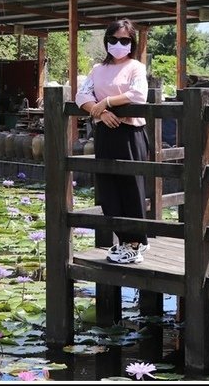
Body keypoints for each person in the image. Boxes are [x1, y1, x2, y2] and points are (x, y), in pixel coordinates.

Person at [74, 18, 150, 264]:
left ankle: (137, 242)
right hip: (106, 131)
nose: (119, 44)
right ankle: (123, 239)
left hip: (130, 132)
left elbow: (138, 94)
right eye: (114, 40)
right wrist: (100, 112)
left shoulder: (135, 67)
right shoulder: (98, 69)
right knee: (108, 188)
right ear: (107, 41)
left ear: (132, 43)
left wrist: (106, 102)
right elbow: (81, 94)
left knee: (131, 187)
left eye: (125, 40)